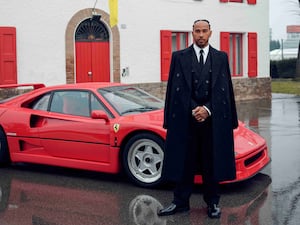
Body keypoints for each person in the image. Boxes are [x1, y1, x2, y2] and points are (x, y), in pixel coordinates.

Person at [158, 19, 238, 219]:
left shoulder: (221, 57)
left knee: (211, 161)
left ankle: (212, 203)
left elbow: (224, 90)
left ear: (210, 33)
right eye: (197, 31)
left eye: (204, 31)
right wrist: (195, 108)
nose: (201, 35)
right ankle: (180, 202)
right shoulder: (179, 57)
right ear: (192, 33)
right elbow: (174, 91)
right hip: (186, 120)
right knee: (184, 161)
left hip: (212, 121)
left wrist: (208, 109)